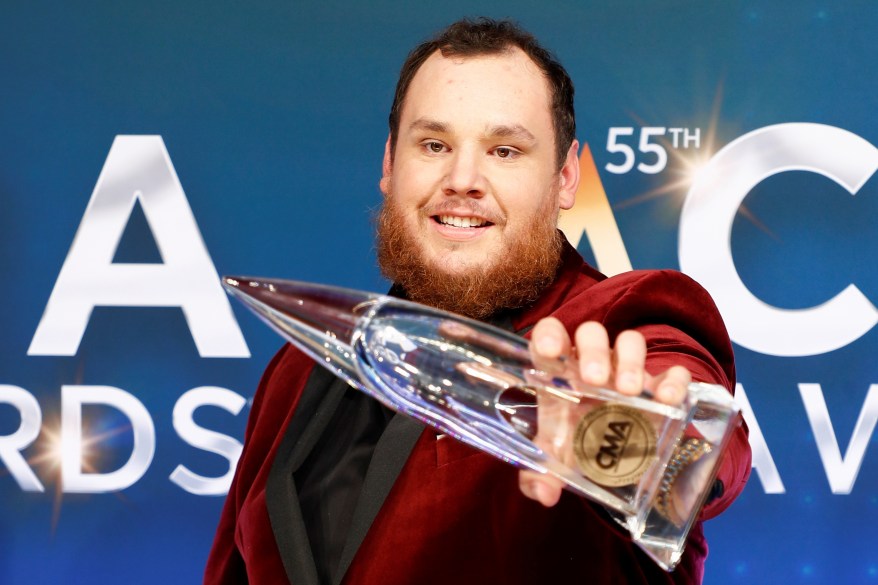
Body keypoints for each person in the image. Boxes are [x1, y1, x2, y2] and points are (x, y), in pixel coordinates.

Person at [205, 18, 751, 585]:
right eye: (435, 144)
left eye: (505, 150)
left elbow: (696, 434)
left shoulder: (625, 319)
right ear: (390, 165)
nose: (463, 178)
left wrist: (646, 435)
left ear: (565, 178)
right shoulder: (297, 371)